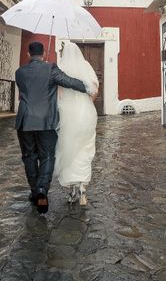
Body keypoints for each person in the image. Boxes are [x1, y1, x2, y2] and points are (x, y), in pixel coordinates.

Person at [15, 41, 95, 214]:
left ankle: (34, 191)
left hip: (25, 121)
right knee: (47, 156)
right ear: (43, 53)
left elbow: (28, 90)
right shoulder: (51, 69)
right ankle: (42, 190)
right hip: (46, 122)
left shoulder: (19, 72)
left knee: (29, 157)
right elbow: (69, 82)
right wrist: (87, 86)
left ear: (28, 54)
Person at [53, 41, 99, 206]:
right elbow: (94, 90)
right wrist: (87, 104)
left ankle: (72, 190)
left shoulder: (60, 68)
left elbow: (58, 95)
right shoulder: (86, 66)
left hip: (68, 114)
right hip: (86, 113)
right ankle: (83, 189)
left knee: (68, 148)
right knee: (85, 149)